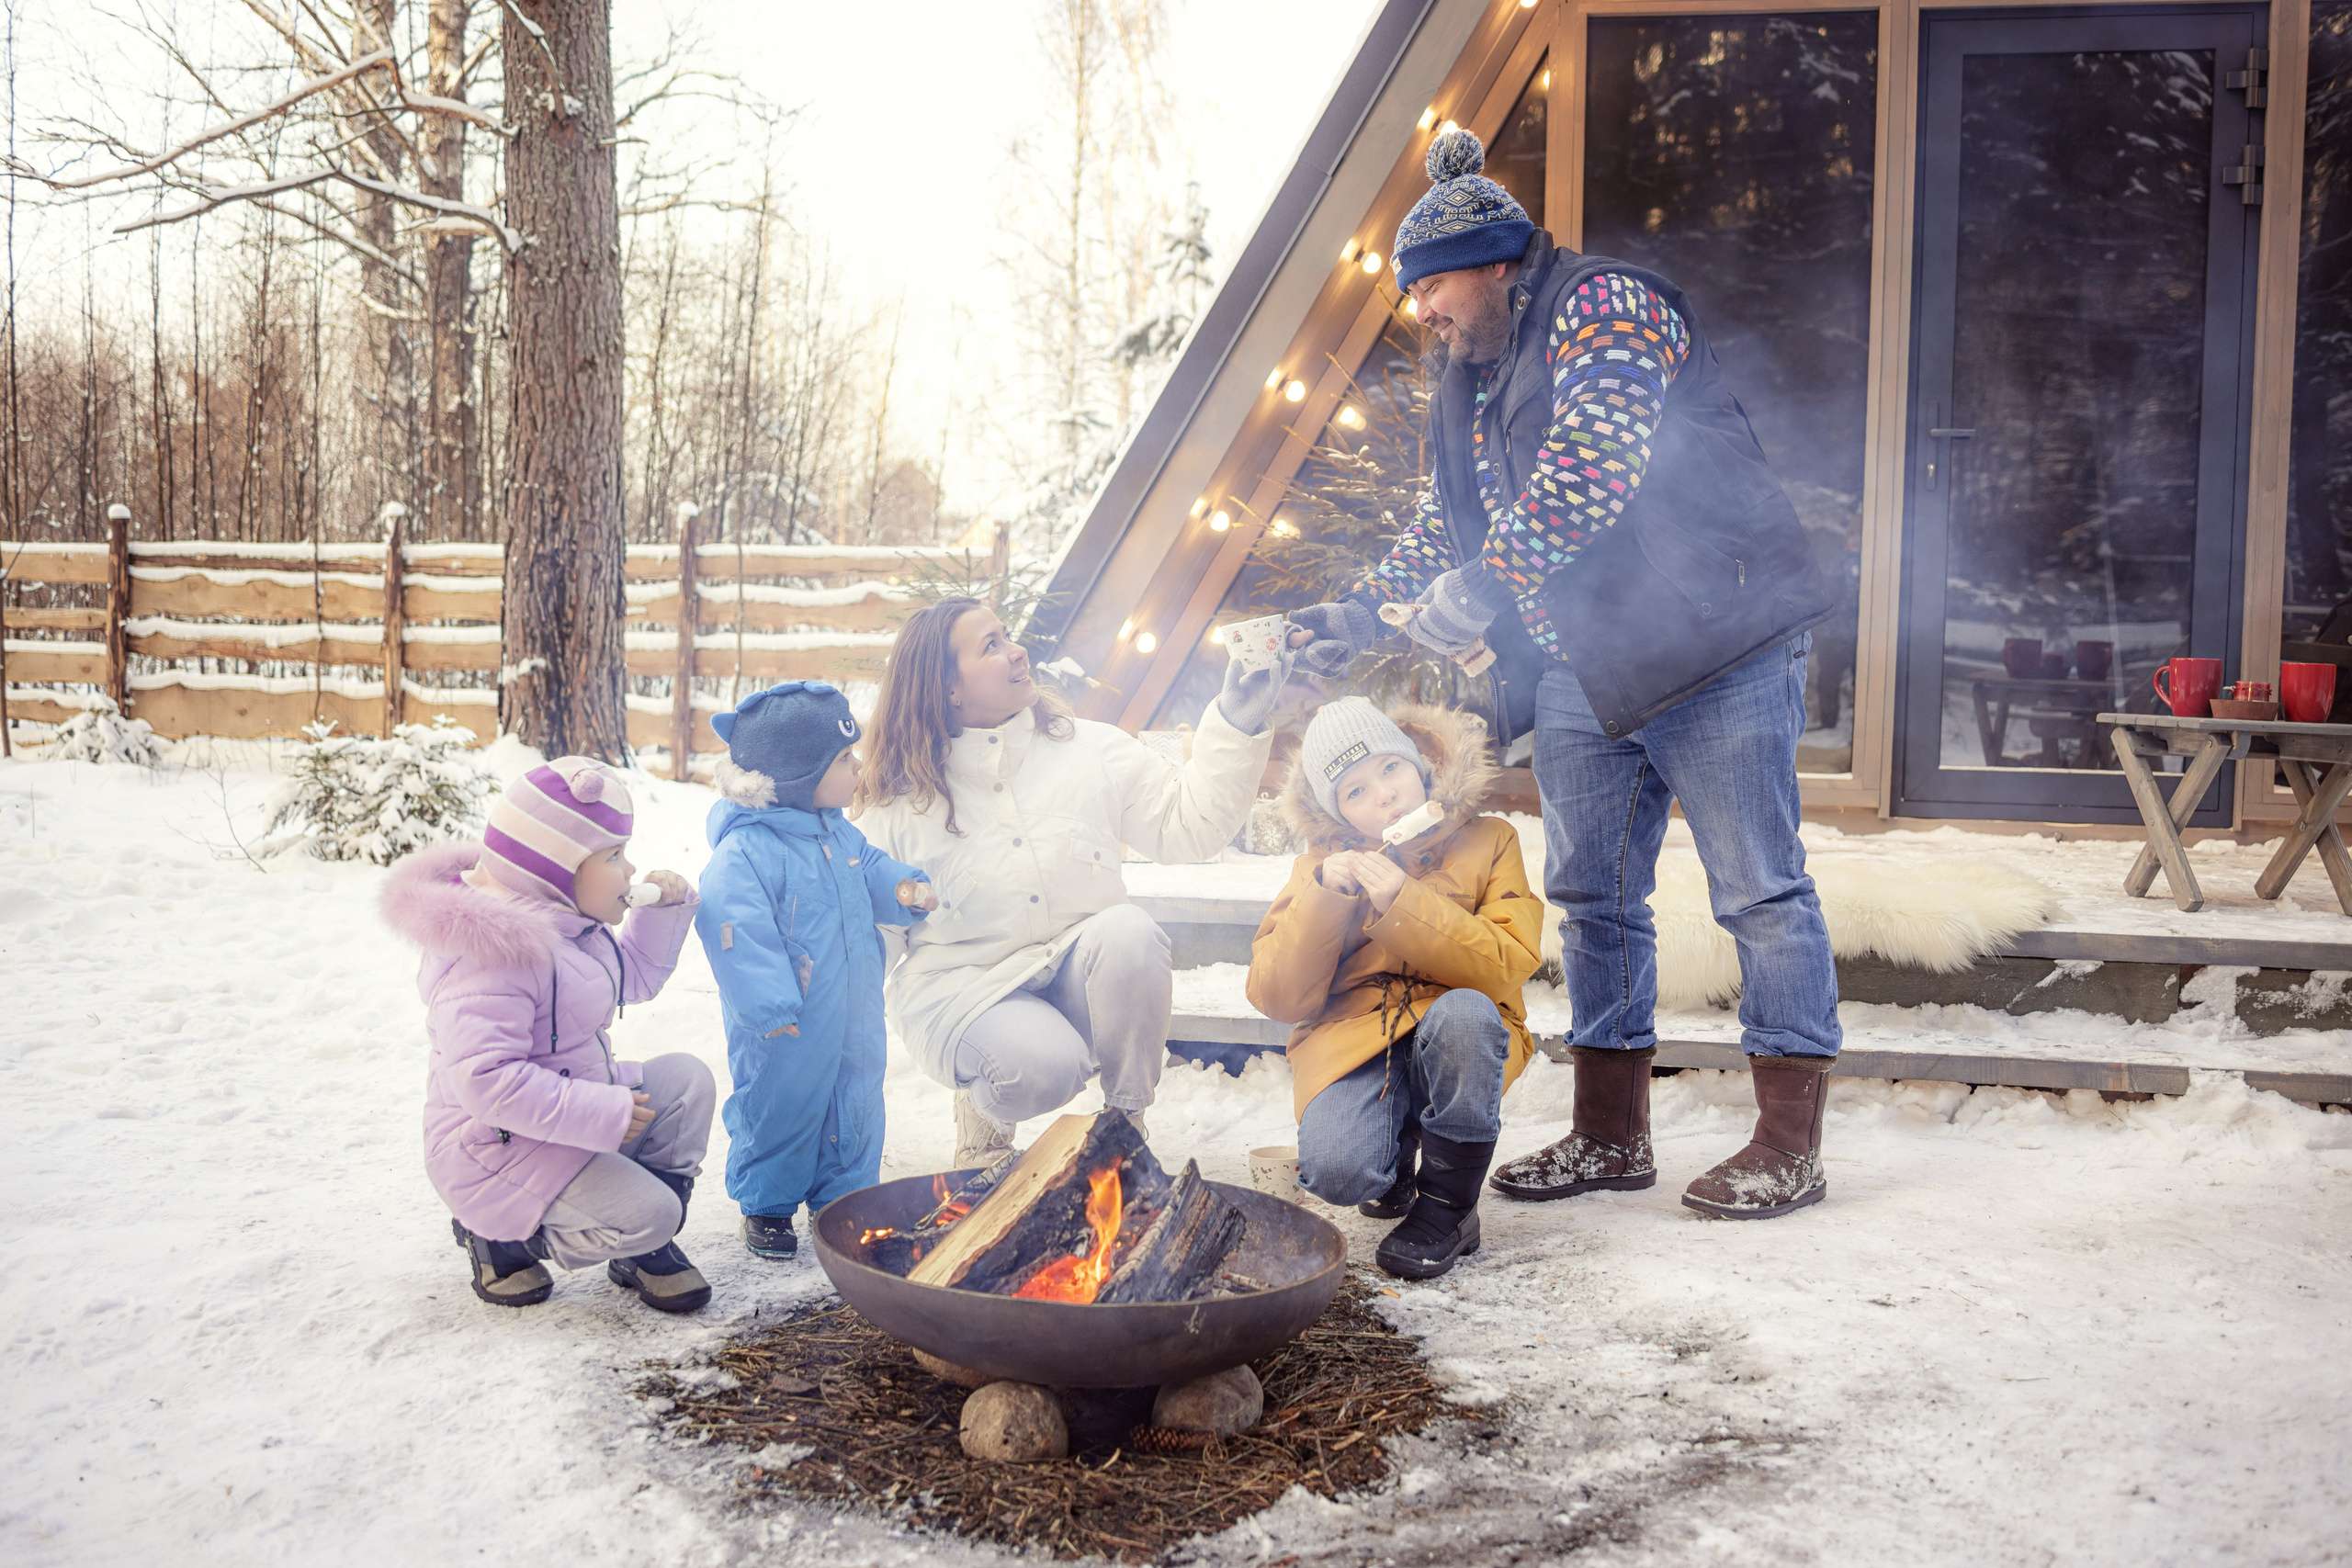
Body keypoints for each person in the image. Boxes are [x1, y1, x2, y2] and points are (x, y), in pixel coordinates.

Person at [1286, 129, 1842, 1220]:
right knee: (1593, 900)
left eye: (1433, 287)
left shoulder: (1608, 307)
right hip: (1593, 665)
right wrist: (1349, 614)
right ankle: (1609, 1136)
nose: (1424, 313)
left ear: (1495, 261)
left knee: (1761, 894)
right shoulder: (1474, 371)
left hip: (1718, 643)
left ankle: (1789, 1145)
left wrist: (1485, 586)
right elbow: (1447, 529)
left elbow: (1595, 464)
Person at [855, 595, 1288, 1168]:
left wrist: (1239, 712)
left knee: (1129, 931)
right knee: (1043, 1069)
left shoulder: (1090, 750)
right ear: (948, 688)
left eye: (1006, 635)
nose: (1017, 651)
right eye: (991, 646)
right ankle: (983, 1114)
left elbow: (1191, 825)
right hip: (965, 990)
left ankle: (1124, 1129)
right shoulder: (898, 802)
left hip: (1078, 967)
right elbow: (869, 941)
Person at [381, 758, 715, 1311]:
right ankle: (498, 1237)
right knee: (656, 1213)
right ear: (554, 870)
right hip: (494, 1152)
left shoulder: (572, 927)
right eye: (613, 857)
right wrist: (599, 1111)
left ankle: (640, 1247)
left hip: (561, 1121)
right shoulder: (489, 959)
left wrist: (663, 913)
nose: (629, 870)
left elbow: (628, 980)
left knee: (685, 1081)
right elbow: (487, 1082)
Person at [1247, 698, 1542, 1279]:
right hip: (1358, 1039)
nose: (1382, 795)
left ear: (1421, 764)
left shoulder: (1491, 839)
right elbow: (1279, 999)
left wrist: (1404, 903)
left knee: (1465, 1016)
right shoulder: (1320, 865)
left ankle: (1449, 1208)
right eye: (1354, 791)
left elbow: (1508, 964)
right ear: (1338, 814)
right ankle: (1395, 1157)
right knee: (1338, 1175)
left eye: (1389, 769)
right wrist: (1325, 898)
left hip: (1459, 1027)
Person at [695, 681, 935, 1260]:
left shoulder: (838, 833)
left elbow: (869, 868)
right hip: (787, 1021)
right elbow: (735, 930)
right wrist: (770, 1007)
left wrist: (899, 887)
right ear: (800, 777)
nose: (858, 769)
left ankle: (844, 1200)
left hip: (852, 1011)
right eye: (844, 760)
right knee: (781, 1105)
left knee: (854, 1097)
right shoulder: (747, 851)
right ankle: (769, 1205)